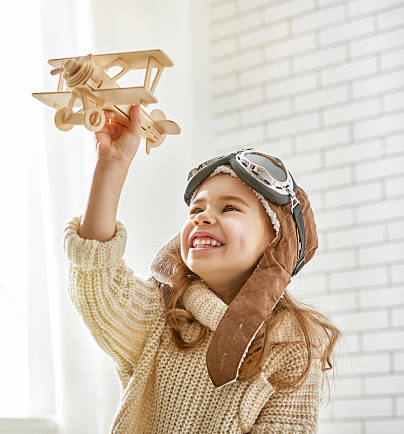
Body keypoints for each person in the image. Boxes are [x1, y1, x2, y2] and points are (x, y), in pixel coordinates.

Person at [62, 104, 341, 433]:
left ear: (275, 243)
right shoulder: (161, 316)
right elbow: (98, 285)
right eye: (196, 208)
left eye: (229, 208)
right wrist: (112, 165)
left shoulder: (292, 346)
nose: (202, 217)